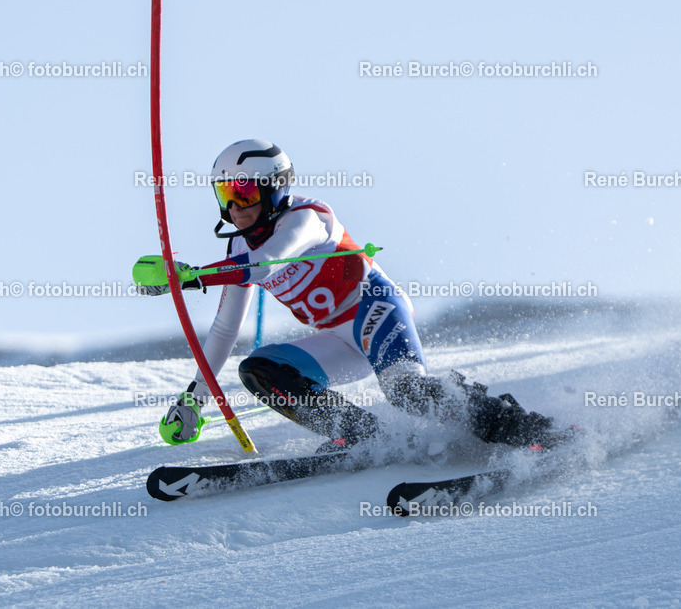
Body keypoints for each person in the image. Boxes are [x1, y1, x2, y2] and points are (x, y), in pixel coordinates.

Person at [139, 138, 559, 452]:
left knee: (407, 391)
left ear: (275, 189)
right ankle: (364, 438)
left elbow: (268, 264)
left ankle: (529, 430)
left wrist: (189, 277)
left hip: (373, 311)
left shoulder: (309, 218)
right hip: (335, 337)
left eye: (245, 193)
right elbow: (225, 330)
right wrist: (193, 399)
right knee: (259, 370)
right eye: (226, 195)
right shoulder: (237, 251)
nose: (235, 208)